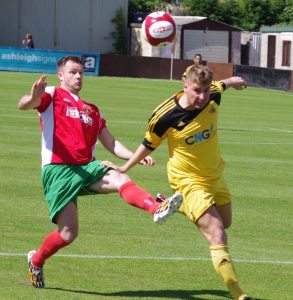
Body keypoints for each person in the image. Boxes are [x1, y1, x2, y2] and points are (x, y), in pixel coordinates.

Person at [18, 56, 182, 288]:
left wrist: (136, 156)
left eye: (81, 72)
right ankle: (35, 261)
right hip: (58, 170)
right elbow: (24, 104)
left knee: (119, 177)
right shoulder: (52, 95)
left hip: (87, 167)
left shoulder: (92, 110)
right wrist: (33, 97)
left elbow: (111, 143)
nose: (78, 76)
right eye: (73, 72)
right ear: (61, 75)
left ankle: (157, 207)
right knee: (67, 234)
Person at [102, 65, 251, 300]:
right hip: (187, 181)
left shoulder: (213, 93)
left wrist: (234, 80)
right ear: (185, 86)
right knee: (217, 233)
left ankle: (178, 205)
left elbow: (223, 84)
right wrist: (124, 166)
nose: (202, 97)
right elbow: (147, 144)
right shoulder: (165, 115)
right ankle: (238, 294)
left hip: (215, 175)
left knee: (226, 222)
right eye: (196, 91)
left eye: (204, 91)